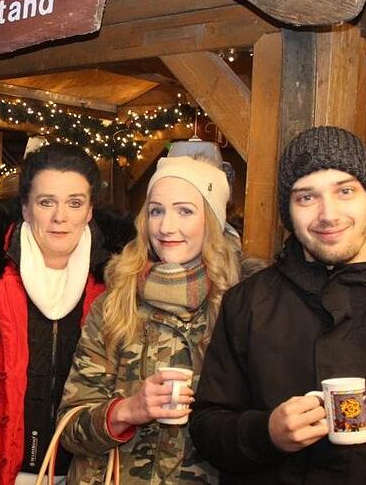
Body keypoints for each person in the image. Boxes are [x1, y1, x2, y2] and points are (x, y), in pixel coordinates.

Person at [190, 126, 366, 483]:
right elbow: (206, 426)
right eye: (306, 197)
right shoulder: (248, 303)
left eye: (345, 191)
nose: (328, 214)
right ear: (288, 213)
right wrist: (266, 434)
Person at [57, 153, 254, 484]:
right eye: (156, 210)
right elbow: (70, 428)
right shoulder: (115, 304)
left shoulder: (238, 307)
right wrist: (127, 410)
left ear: (212, 221)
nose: (166, 227)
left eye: (185, 211)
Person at [0, 143, 120, 484]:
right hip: (2, 472)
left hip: (86, 472)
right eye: (46, 202)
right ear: (26, 207)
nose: (59, 216)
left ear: (90, 210)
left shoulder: (116, 281)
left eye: (74, 203)